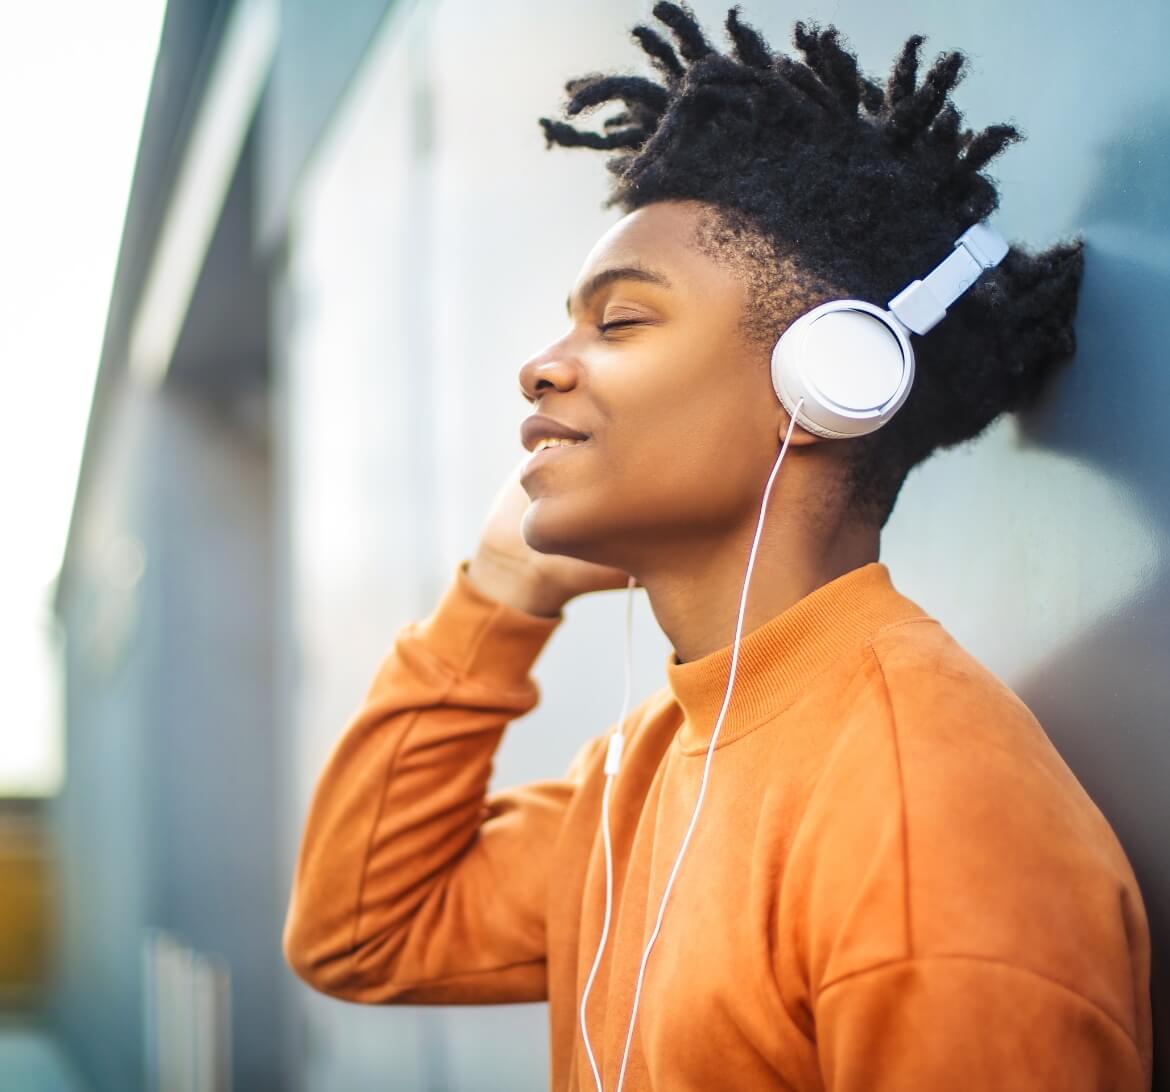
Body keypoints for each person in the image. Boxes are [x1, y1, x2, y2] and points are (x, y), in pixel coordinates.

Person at [282, 5, 1153, 1089]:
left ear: (834, 377)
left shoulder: (932, 827)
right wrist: (499, 594)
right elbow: (362, 930)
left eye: (621, 321)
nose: (542, 368)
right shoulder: (649, 769)